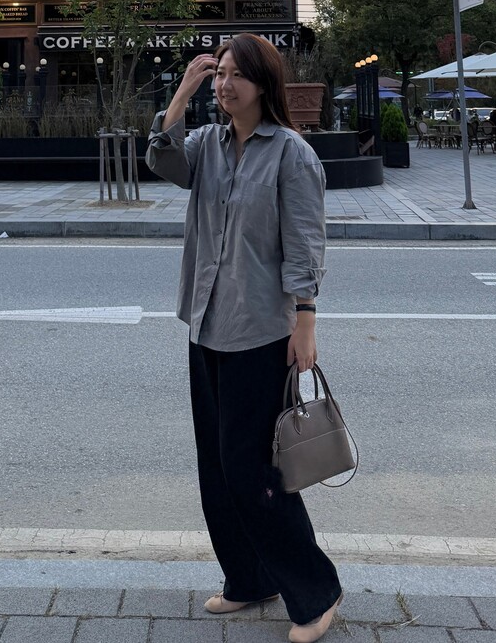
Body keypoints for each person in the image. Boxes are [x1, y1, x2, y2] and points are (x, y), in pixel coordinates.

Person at [146, 34, 342, 643]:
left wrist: (305, 321)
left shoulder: (291, 155)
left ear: (263, 84)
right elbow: (161, 162)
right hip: (207, 324)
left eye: (236, 75)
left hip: (261, 332)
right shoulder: (205, 144)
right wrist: (181, 94)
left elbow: (305, 243)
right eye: (219, 74)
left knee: (254, 471)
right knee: (216, 465)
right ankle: (249, 577)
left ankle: (315, 591)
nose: (224, 85)